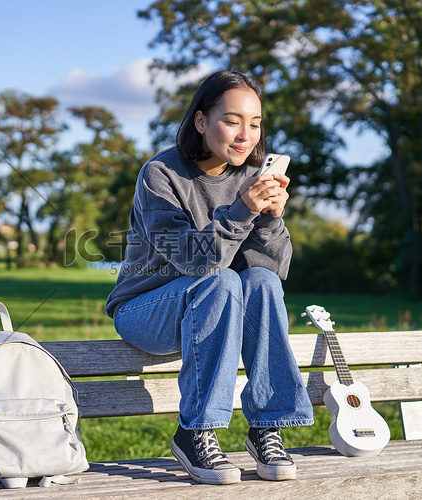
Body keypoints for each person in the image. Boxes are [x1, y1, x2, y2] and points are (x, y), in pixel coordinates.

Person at [105, 70, 313, 485]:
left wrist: (270, 217)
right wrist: (239, 211)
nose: (245, 135)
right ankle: (195, 432)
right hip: (146, 310)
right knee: (220, 281)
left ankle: (266, 426)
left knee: (261, 282)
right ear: (200, 121)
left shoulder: (249, 177)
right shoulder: (160, 175)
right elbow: (195, 262)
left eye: (254, 124)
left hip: (219, 303)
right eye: (231, 120)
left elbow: (272, 270)